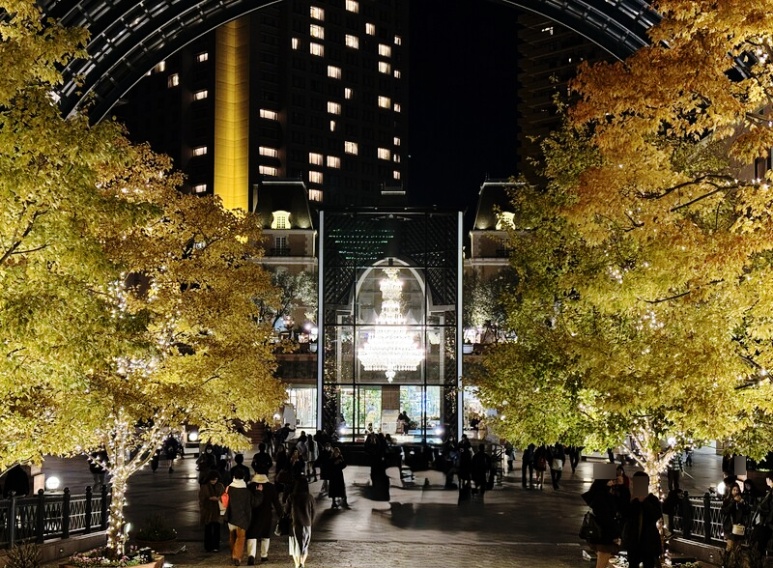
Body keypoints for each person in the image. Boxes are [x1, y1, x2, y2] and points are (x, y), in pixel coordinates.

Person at [582, 476, 629, 568]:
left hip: (604, 537)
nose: (613, 482)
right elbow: (606, 519)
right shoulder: (602, 497)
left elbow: (623, 505)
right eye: (612, 480)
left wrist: (622, 487)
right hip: (605, 538)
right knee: (601, 565)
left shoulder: (603, 494)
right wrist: (616, 534)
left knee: (604, 564)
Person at [622, 472, 663, 568]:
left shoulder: (652, 499)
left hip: (649, 542)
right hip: (633, 541)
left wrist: (644, 501)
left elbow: (656, 515)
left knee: (649, 564)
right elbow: (625, 515)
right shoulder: (631, 499)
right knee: (633, 564)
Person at [225, 467, 263, 566]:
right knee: (240, 538)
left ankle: (233, 555)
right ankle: (236, 557)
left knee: (232, 537)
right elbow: (255, 502)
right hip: (242, 519)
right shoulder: (246, 492)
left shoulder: (229, 489)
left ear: (234, 477)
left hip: (231, 517)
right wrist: (259, 492)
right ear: (244, 477)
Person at [246, 472, 282, 565]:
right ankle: (264, 555)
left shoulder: (250, 486)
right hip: (267, 514)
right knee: (265, 534)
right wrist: (281, 514)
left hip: (254, 514)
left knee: (252, 534)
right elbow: (276, 502)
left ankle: (251, 555)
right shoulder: (271, 487)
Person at [286, 478, 316, 568]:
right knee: (304, 545)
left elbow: (286, 510)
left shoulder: (292, 496)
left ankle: (296, 564)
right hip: (306, 524)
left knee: (295, 546)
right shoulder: (310, 497)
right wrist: (310, 522)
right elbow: (314, 512)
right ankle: (302, 562)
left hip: (294, 524)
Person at [721, 482, 750, 566]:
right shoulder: (727, 500)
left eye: (737, 490)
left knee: (737, 547)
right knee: (729, 546)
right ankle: (724, 563)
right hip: (730, 527)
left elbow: (747, 512)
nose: (736, 492)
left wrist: (742, 504)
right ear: (731, 491)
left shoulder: (742, 500)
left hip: (739, 527)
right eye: (734, 490)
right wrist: (733, 501)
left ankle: (734, 564)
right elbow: (725, 511)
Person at [198, 470, 225, 553]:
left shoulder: (220, 486)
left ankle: (216, 546)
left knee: (216, 529)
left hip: (217, 510)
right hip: (208, 510)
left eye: (215, 479)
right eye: (212, 480)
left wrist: (218, 498)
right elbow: (201, 498)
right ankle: (208, 546)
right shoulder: (204, 487)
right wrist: (209, 499)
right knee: (208, 529)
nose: (213, 481)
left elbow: (224, 496)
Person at [751, 472, 773, 567]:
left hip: (767, 524)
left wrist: (767, 521)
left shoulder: (771, 492)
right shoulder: (770, 491)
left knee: (760, 544)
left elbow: (770, 508)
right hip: (767, 523)